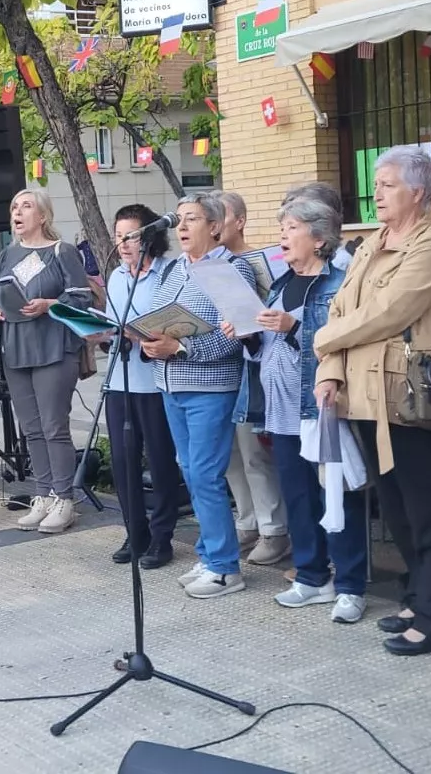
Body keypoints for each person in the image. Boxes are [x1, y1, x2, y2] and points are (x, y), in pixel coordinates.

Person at [313, 145, 431, 656]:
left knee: (427, 509)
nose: (376, 193)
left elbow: (387, 313)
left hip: (412, 396)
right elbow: (340, 308)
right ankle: (417, 597)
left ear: (418, 193)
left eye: (388, 184)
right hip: (365, 395)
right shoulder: (371, 244)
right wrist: (330, 371)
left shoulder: (429, 247)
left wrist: (321, 342)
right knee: (395, 509)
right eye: (376, 184)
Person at [243, 198, 367, 623]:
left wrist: (294, 327)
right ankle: (312, 577)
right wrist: (246, 333)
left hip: (319, 406)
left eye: (291, 227)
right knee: (296, 495)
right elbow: (267, 345)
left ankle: (350, 584)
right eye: (282, 227)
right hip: (280, 410)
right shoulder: (280, 283)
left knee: (335, 494)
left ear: (319, 238)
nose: (282, 235)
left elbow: (341, 340)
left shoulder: (339, 283)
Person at [152, 192, 256, 599]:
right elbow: (161, 316)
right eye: (178, 219)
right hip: (170, 383)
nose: (180, 227)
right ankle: (210, 552)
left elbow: (236, 336)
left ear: (214, 226)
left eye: (191, 219)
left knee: (207, 474)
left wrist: (181, 348)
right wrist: (149, 338)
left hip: (210, 386)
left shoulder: (233, 269)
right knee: (190, 470)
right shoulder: (174, 268)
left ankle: (226, 568)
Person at [0, 188, 94, 534]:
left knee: (54, 426)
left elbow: (82, 297)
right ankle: (44, 495)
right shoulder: (8, 254)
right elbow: (0, 290)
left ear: (43, 215)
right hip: (16, 346)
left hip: (53, 346)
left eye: (26, 206)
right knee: (32, 429)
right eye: (14, 206)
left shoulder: (61, 252)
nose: (17, 212)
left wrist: (50, 304)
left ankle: (65, 498)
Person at [101, 204, 185, 569]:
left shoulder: (171, 272)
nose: (123, 243)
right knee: (122, 461)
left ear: (149, 236)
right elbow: (109, 322)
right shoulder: (118, 276)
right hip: (118, 381)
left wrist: (144, 334)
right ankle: (135, 533)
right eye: (118, 236)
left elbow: (178, 324)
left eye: (130, 235)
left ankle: (162, 536)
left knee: (161, 462)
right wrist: (102, 333)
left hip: (155, 383)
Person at [212, 190, 290, 566]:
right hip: (220, 369)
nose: (212, 225)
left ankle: (274, 528)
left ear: (239, 221)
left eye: (220, 217)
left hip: (255, 364)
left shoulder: (263, 262)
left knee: (255, 451)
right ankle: (246, 520)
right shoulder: (204, 264)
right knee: (229, 455)